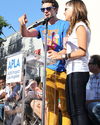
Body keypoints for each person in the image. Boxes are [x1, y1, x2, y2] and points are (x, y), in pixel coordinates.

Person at [18, 0, 71, 124]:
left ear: (56, 10)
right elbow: (25, 33)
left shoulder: (65, 25)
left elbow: (68, 46)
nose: (45, 11)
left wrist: (59, 54)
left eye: (48, 8)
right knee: (51, 107)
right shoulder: (42, 27)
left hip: (64, 70)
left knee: (64, 108)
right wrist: (22, 24)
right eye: (43, 9)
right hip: (48, 70)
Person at [48, 0, 91, 125]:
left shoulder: (80, 26)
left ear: (75, 10)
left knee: (78, 110)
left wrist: (64, 55)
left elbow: (82, 51)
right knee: (72, 110)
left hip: (79, 71)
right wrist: (54, 55)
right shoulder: (72, 29)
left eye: (67, 9)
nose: (64, 11)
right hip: (71, 71)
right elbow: (67, 50)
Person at [86, 55, 100, 125]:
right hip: (92, 102)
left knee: (94, 107)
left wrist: (88, 101)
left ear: (96, 65)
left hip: (96, 104)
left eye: (89, 63)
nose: (88, 65)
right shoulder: (91, 77)